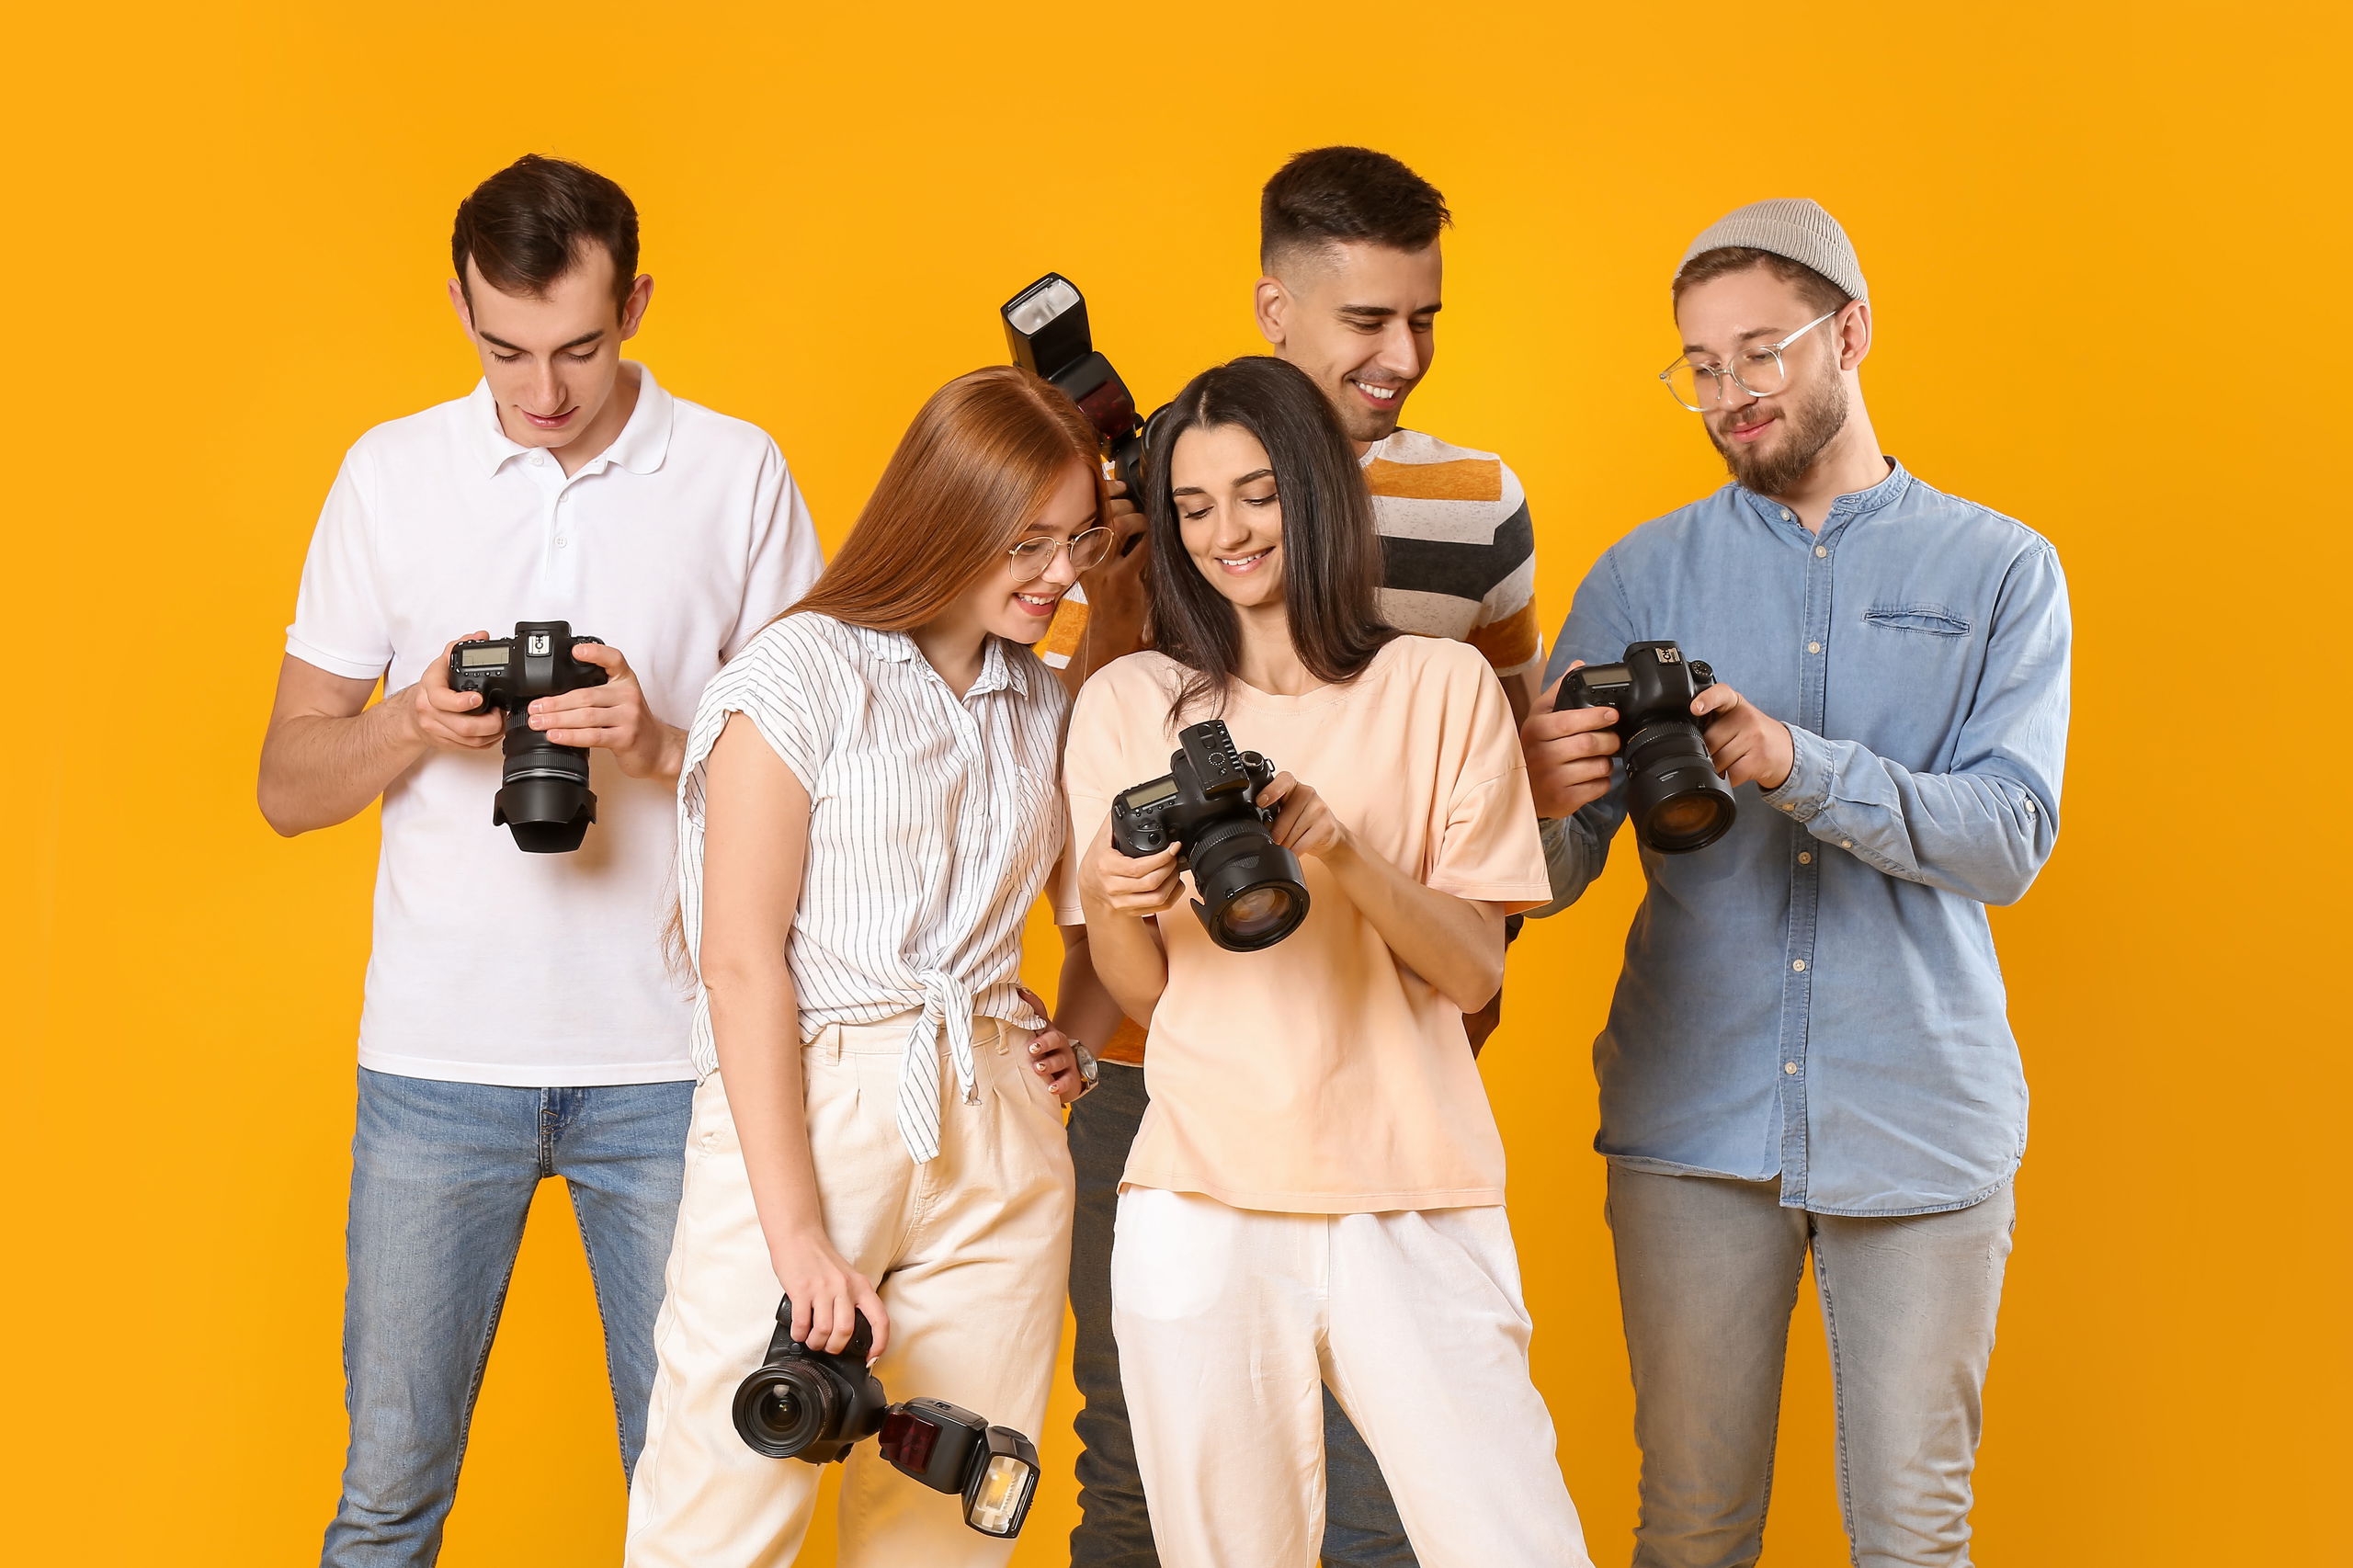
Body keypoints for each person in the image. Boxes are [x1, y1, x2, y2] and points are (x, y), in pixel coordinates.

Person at [257, 153, 822, 1567]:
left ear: (636, 301)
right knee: (388, 1500)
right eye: (504, 347)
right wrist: (412, 722)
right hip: (438, 1063)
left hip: (677, 1063)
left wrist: (658, 739)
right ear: (459, 304)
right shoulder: (390, 474)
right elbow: (284, 783)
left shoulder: (737, 470)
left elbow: (824, 788)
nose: (544, 390)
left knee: (704, 1496)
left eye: (580, 345)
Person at [1520, 199, 2071, 1568]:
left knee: (1911, 1534)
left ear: (1852, 333)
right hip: (1691, 1124)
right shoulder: (1641, 574)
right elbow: (1549, 878)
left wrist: (1793, 761)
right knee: (1695, 1530)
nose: (1726, 395)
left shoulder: (2002, 568)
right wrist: (1522, 793)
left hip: (1923, 1123)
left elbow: (2010, 833)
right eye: (1700, 366)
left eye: (1758, 354)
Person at [1049, 144, 1543, 1568]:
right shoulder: (1131, 701)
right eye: (1194, 509)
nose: (1227, 534)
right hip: (1202, 1186)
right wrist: (1118, 895)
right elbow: (1142, 987)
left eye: (1255, 495)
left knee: (1501, 1535)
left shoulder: (1439, 687)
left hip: (1410, 1175)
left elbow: (1468, 966)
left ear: (1315, 488)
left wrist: (1340, 847)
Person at [622, 366, 1108, 1567]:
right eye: (1030, 542)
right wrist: (796, 1235)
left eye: (1080, 541)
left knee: (949, 1528)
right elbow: (741, 964)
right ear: (945, 517)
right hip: (815, 1110)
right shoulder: (798, 676)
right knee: (720, 1517)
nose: (1063, 576)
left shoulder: (1050, 703)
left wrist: (1078, 1037)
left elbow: (1099, 921)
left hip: (997, 1119)